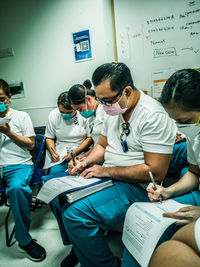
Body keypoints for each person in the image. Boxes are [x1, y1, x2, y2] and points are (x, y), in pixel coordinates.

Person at [54, 62, 176, 267]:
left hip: (136, 185)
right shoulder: (112, 110)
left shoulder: (153, 115)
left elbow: (155, 170)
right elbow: (101, 145)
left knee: (76, 215)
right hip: (110, 175)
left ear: (127, 91)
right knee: (59, 198)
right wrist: (84, 163)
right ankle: (82, 246)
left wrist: (105, 171)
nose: (103, 106)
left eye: (107, 100)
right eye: (100, 101)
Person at [122, 68, 200, 266]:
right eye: (175, 121)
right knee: (145, 224)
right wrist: (168, 191)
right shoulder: (194, 133)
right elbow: (194, 172)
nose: (180, 127)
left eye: (184, 121)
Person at [0, 79, 46, 261]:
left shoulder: (21, 117)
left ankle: (24, 240)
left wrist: (8, 132)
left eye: (1, 98)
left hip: (18, 164)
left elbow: (31, 144)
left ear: (9, 98)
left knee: (17, 189)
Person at [44, 91, 93, 174]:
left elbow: (90, 138)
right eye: (62, 112)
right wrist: (53, 153)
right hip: (60, 153)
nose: (65, 115)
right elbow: (49, 137)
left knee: (81, 173)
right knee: (55, 173)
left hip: (81, 151)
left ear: (75, 108)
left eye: (69, 112)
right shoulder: (53, 115)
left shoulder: (84, 114)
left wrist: (75, 152)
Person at [68, 81, 105, 150]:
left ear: (88, 99)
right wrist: (83, 156)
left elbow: (104, 146)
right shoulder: (92, 116)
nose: (81, 113)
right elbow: (97, 145)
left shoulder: (105, 112)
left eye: (80, 109)